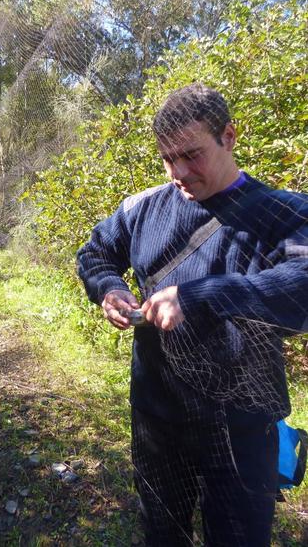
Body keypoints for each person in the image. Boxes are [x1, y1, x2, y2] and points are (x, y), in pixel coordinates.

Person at [76, 84, 308, 547]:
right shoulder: (143, 208)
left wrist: (203, 295)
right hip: (156, 413)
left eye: (192, 154)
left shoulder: (285, 212)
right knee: (162, 532)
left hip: (239, 427)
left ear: (229, 136)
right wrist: (110, 289)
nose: (179, 171)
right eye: (167, 158)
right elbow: (95, 253)